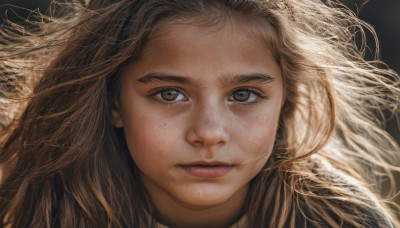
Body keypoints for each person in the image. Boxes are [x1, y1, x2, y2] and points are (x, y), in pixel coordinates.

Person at [0, 0, 399, 227]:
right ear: (114, 103)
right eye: (170, 94)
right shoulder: (35, 213)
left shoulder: (345, 220)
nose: (209, 133)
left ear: (286, 102)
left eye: (244, 94)